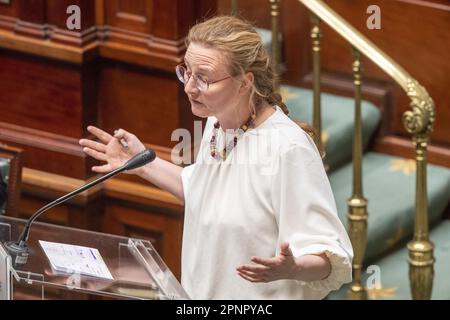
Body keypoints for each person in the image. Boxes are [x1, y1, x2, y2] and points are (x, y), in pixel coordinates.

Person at [79, 15, 353, 300]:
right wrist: (141, 162)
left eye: (204, 78)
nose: (188, 87)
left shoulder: (288, 150)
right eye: (186, 72)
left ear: (245, 82)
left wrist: (293, 267)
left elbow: (331, 259)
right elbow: (204, 190)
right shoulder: (217, 123)